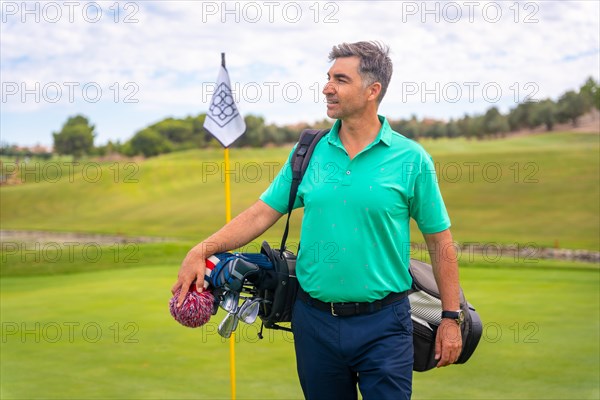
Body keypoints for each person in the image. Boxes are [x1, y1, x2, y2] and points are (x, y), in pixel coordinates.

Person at [172, 41, 463, 400]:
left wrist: (451, 317)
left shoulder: (411, 159)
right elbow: (261, 213)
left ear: (373, 91)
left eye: (340, 79)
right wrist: (201, 249)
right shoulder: (308, 151)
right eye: (327, 78)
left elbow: (440, 241)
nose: (327, 87)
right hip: (314, 322)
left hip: (385, 324)